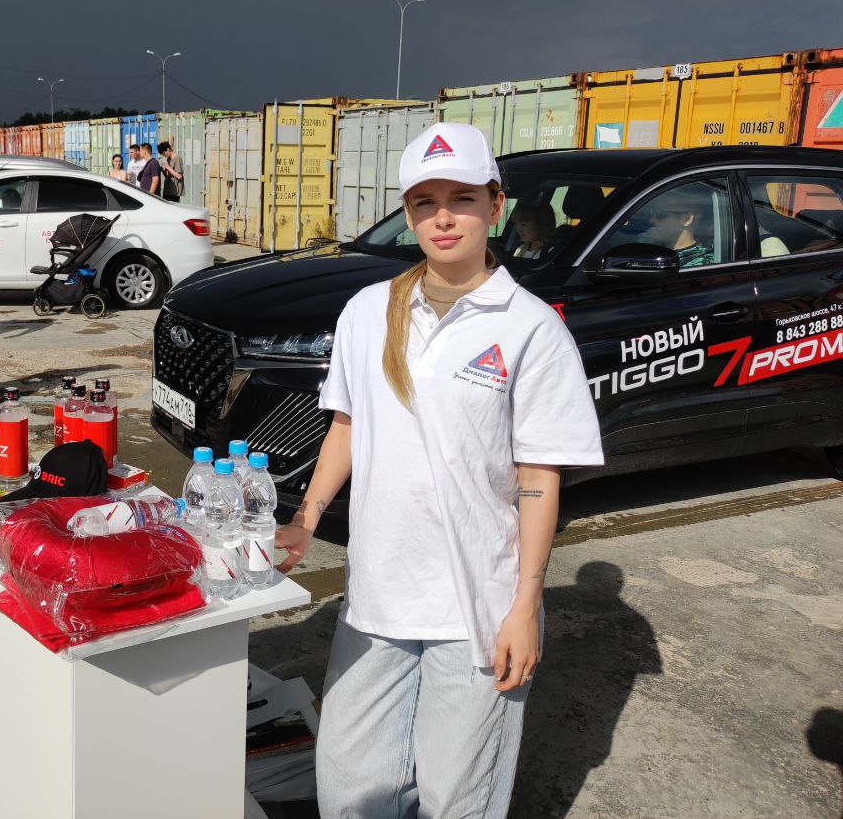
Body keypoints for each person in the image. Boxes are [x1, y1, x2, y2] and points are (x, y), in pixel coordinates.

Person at [274, 122, 603, 819]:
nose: (444, 217)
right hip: (379, 593)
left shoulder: (530, 327)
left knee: (457, 797)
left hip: (477, 604)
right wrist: (305, 517)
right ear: (408, 212)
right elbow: (347, 426)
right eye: (425, 202)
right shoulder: (369, 312)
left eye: (462, 198)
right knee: (350, 787)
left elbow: (538, 476)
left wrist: (524, 608)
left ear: (496, 205)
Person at [644, 187, 714, 267]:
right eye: (652, 211)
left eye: (661, 214)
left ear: (687, 219)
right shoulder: (650, 244)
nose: (652, 220)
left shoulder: (701, 263)